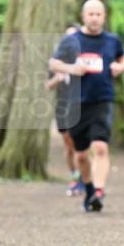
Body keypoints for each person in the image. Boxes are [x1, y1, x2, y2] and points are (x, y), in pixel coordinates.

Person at [49, 0, 124, 213]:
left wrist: (120, 67)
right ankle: (89, 188)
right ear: (83, 16)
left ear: (104, 16)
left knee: (101, 147)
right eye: (90, 14)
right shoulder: (71, 40)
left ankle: (99, 192)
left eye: (98, 14)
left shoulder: (113, 41)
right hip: (77, 103)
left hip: (102, 100)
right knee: (82, 154)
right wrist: (72, 68)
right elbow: (54, 63)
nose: (94, 18)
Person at [46, 24, 82, 196]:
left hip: (80, 107)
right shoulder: (57, 63)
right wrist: (58, 79)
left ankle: (83, 179)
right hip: (62, 106)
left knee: (81, 144)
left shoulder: (84, 63)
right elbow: (48, 85)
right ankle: (75, 176)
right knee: (69, 146)